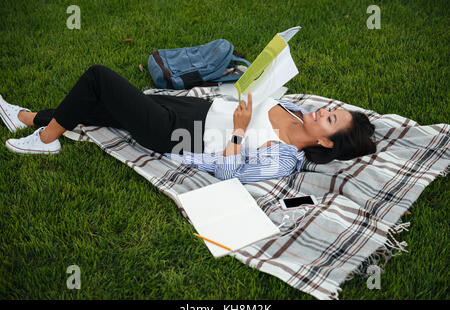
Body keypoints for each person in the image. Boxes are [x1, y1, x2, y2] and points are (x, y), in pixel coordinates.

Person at [0, 65, 376, 183]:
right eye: (328, 110)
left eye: (328, 119)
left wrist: (240, 131)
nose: (318, 112)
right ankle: (27, 118)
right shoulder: (294, 110)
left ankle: (47, 139)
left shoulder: (282, 159)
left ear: (327, 143)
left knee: (99, 79)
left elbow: (230, 178)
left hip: (178, 136)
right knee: (103, 106)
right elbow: (262, 88)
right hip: (188, 110)